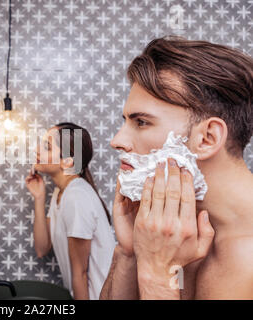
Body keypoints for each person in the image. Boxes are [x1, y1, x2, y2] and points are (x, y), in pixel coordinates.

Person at [100, 36, 253, 299]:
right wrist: (129, 254)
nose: (117, 141)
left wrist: (157, 277)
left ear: (207, 139)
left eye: (142, 122)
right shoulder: (169, 231)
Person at [25, 122, 116, 300]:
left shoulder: (77, 197)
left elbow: (80, 274)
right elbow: (42, 249)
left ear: (67, 161)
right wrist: (39, 197)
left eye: (47, 146)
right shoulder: (62, 191)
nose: (37, 149)